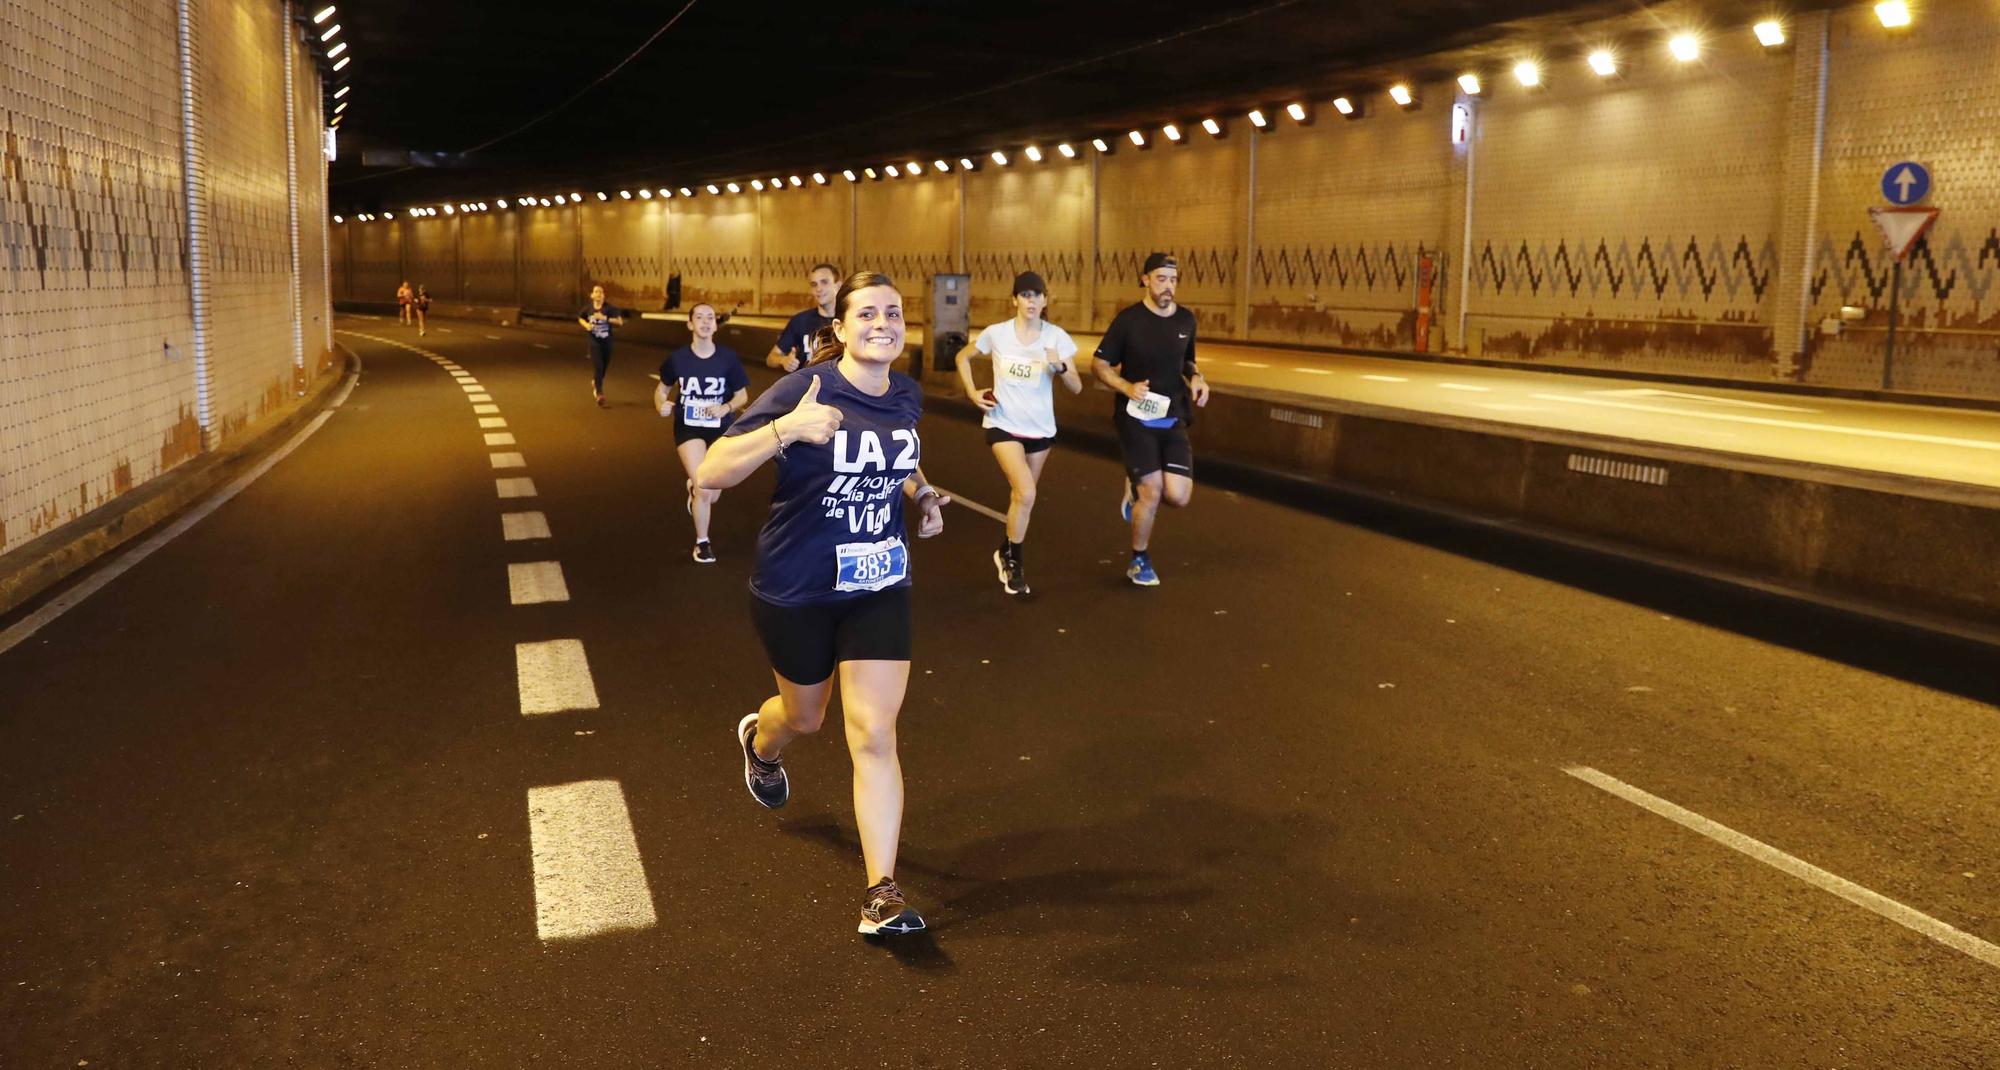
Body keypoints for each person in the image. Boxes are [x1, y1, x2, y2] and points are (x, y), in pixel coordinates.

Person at [696, 271, 948, 937]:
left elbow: (897, 461)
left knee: (872, 732)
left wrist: (920, 497)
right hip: (797, 587)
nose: (882, 323)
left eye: (894, 313)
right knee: (806, 718)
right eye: (866, 314)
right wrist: (788, 429)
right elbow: (710, 473)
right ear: (839, 327)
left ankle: (881, 893)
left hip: (878, 583)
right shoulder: (803, 390)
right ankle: (761, 742)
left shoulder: (907, 395)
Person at [955, 270, 1082, 595]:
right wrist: (972, 392)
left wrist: (1061, 366)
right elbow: (962, 355)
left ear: (1045, 300)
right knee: (1026, 493)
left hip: (1040, 430)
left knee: (1022, 499)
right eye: (1025, 295)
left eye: (1037, 295)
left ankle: (1006, 549)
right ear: (1014, 300)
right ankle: (1015, 562)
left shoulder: (1056, 337)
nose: (1031, 301)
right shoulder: (997, 333)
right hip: (1003, 423)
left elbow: (1077, 387)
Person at [1091, 252, 1209, 586]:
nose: (1168, 286)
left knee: (1178, 496)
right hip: (1134, 418)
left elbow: (1188, 362)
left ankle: (1134, 487)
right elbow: (1098, 365)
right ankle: (1139, 559)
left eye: (1173, 280)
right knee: (1153, 491)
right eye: (1161, 279)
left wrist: (1198, 378)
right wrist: (1125, 386)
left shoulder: (1186, 320)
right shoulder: (1129, 321)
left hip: (1173, 417)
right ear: (1145, 279)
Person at [655, 302, 749, 563]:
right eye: (699, 317)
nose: (706, 322)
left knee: (712, 491)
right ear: (690, 324)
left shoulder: (728, 359)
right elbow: (662, 389)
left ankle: (694, 489)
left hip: (720, 428)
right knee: (704, 487)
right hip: (688, 427)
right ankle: (702, 542)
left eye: (710, 318)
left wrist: (726, 407)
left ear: (716, 325)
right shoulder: (678, 359)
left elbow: (743, 395)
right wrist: (660, 405)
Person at [765, 263, 840, 372]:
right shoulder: (800, 321)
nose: (818, 289)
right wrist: (784, 360)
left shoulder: (849, 320)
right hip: (806, 387)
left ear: (838, 285)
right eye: (814, 284)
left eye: (824, 282)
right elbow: (771, 358)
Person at [577, 284, 628, 407]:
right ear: (592, 295)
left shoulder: (610, 309)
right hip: (594, 342)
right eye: (596, 292)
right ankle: (599, 394)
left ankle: (596, 381)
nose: (599, 294)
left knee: (604, 367)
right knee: (598, 366)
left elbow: (620, 322)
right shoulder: (588, 309)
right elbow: (580, 318)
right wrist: (587, 326)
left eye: (601, 292)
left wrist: (604, 318)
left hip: (607, 342)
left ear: (604, 296)